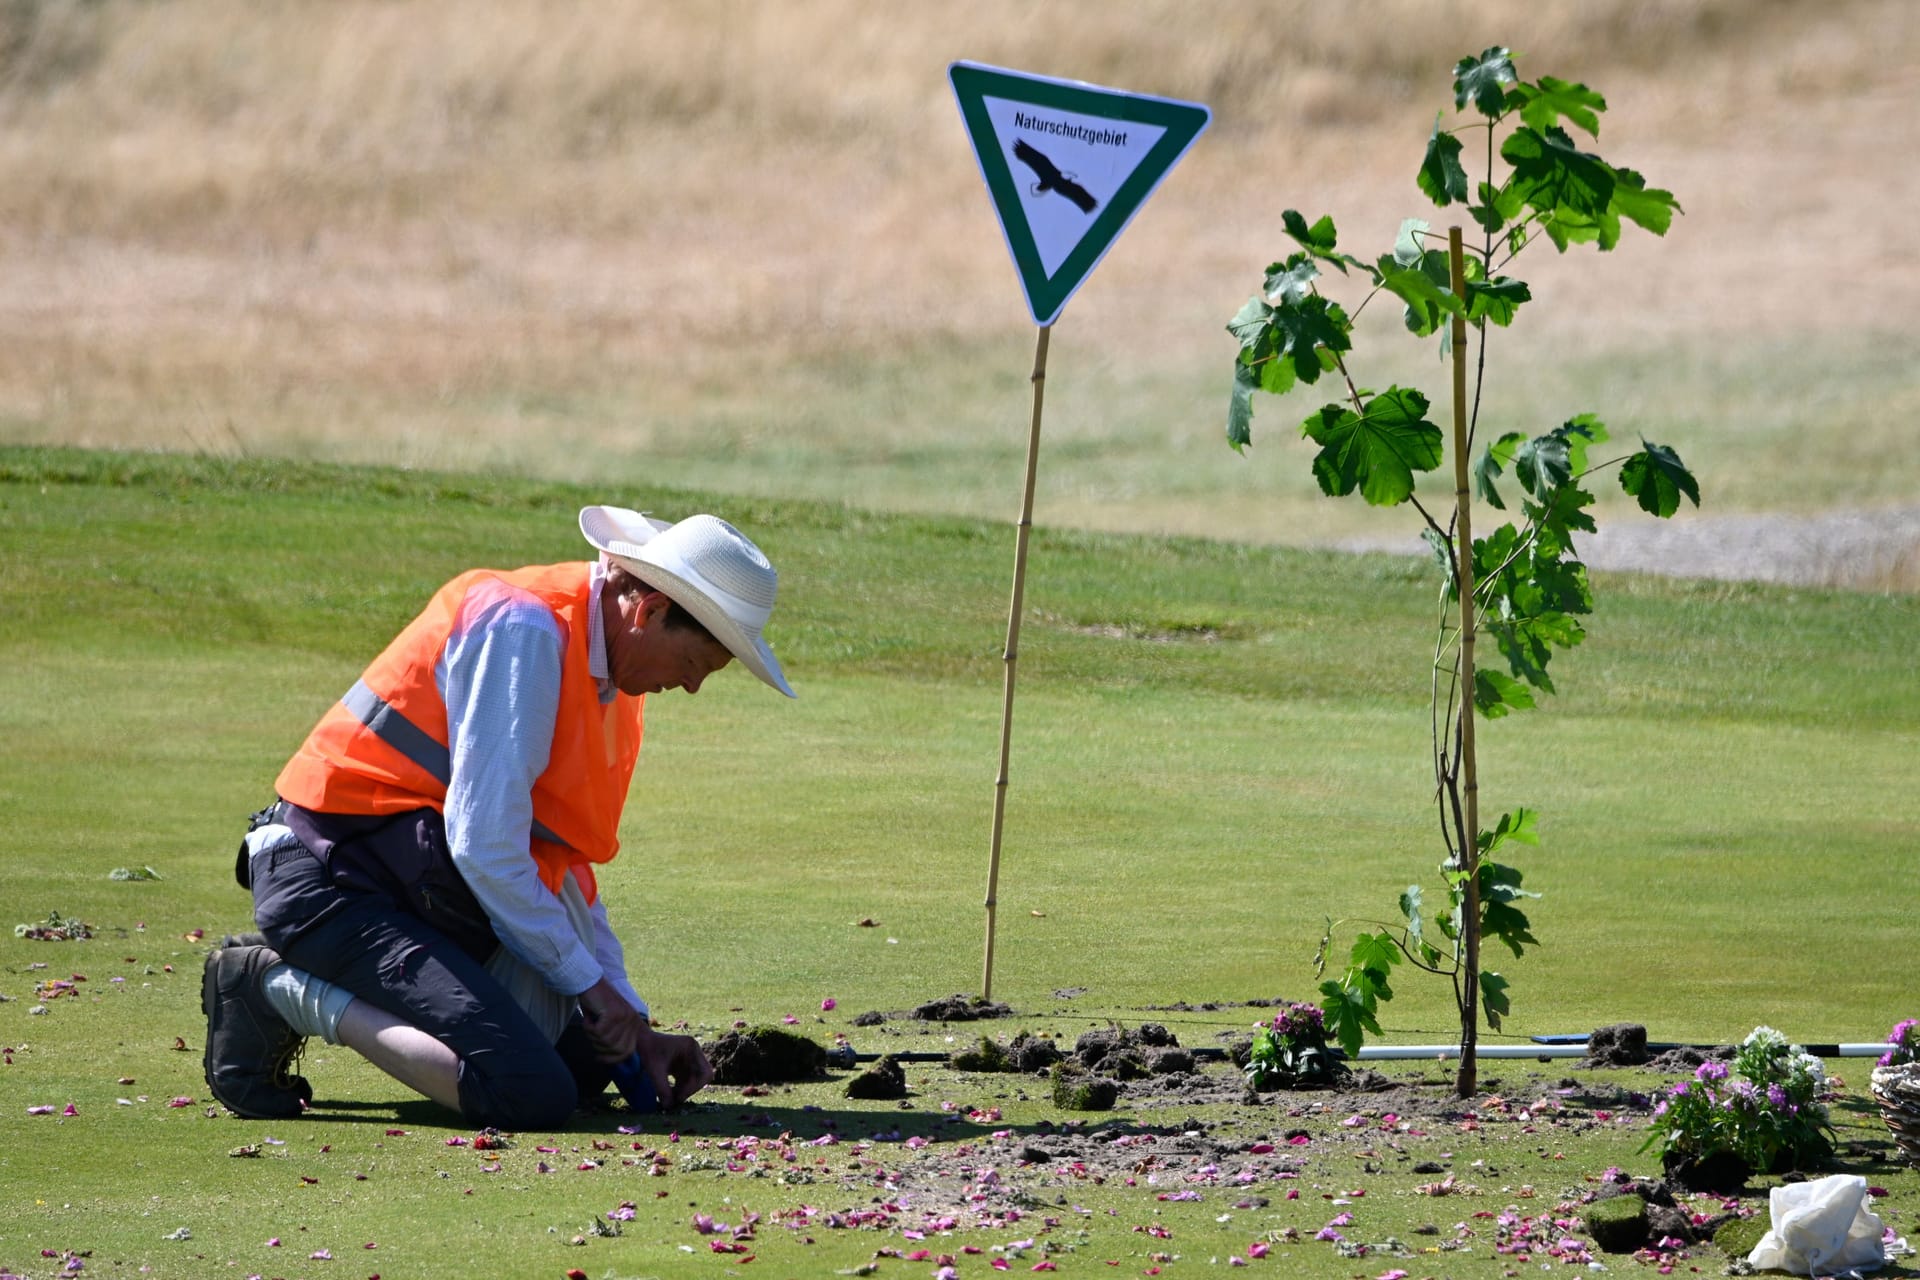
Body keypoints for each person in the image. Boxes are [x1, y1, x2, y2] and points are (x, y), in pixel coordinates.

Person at [202, 507, 793, 1128]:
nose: (691, 688)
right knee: (529, 1092)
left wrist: (629, 1017)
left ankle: (306, 980)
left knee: (594, 1060)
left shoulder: (605, 679)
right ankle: (273, 987)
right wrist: (590, 989)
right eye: (694, 666)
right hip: (328, 880)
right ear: (647, 613)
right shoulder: (525, 632)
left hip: (412, 882)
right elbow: (486, 847)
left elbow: (563, 869)